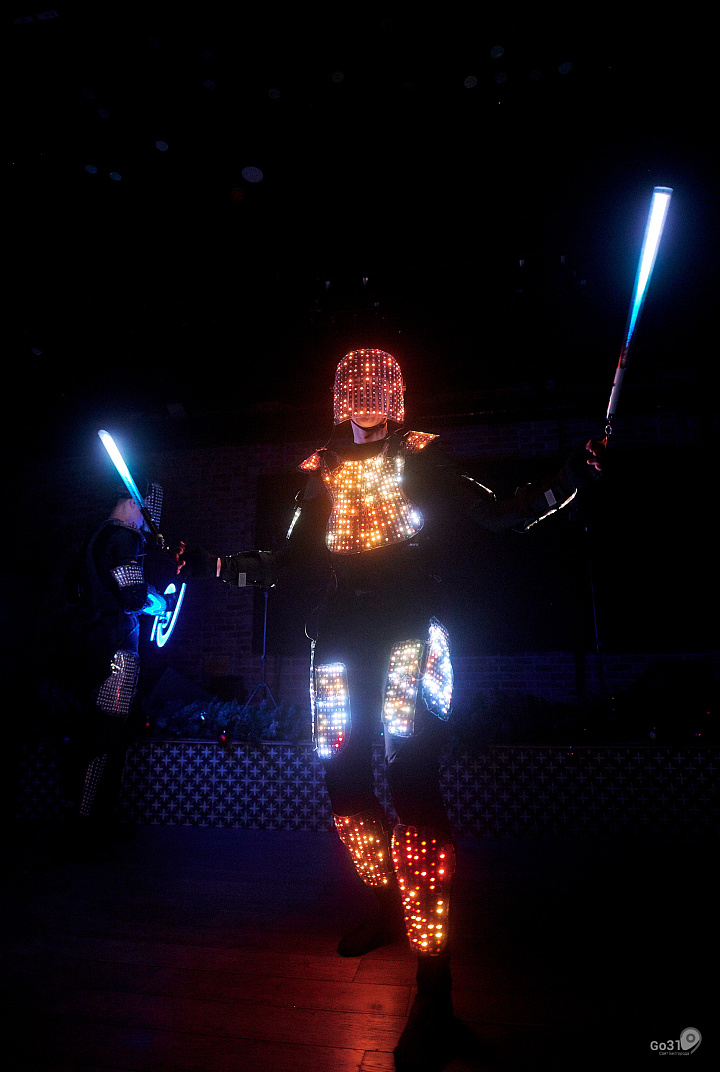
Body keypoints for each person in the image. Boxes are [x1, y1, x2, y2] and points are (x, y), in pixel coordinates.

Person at [176, 348, 604, 1070]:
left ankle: (435, 989)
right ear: (338, 395)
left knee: (414, 791)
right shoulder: (319, 469)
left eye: (379, 385)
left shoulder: (422, 455)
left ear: (397, 394)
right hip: (340, 640)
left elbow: (500, 513)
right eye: (355, 385)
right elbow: (280, 560)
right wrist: (218, 565)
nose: (366, 395)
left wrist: (569, 480)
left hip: (411, 633)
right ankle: (384, 903)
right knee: (342, 785)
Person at [45, 487, 169, 856]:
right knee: (105, 734)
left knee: (104, 732)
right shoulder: (122, 536)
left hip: (94, 643)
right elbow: (132, 593)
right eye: (146, 516)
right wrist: (155, 600)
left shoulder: (96, 537)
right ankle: (85, 824)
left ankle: (93, 820)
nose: (147, 527)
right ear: (133, 504)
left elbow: (80, 591)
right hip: (115, 646)